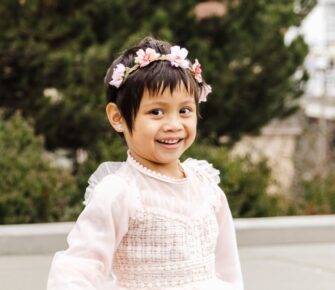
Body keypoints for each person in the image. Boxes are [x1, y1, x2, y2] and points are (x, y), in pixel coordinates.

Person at [47, 37, 244, 290]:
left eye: (184, 110)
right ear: (118, 117)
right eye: (156, 112)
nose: (173, 125)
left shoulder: (207, 188)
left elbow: (228, 267)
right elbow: (80, 266)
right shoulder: (121, 192)